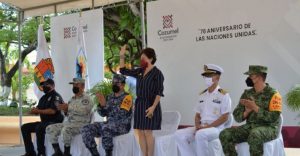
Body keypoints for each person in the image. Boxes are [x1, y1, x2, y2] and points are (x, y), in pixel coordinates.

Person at [219, 65, 282, 156]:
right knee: (225, 134)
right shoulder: (247, 93)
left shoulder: (274, 94)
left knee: (255, 134)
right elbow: (237, 117)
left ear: (260, 77)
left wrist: (255, 108)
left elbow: (273, 118)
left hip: (269, 128)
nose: (248, 78)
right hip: (251, 127)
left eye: (251, 76)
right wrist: (246, 112)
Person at [175, 64, 232, 156]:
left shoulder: (223, 95)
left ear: (217, 78)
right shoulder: (202, 95)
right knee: (177, 135)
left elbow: (225, 117)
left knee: (200, 134)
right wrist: (197, 126)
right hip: (202, 127)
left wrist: (206, 128)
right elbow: (197, 115)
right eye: (205, 76)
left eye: (209, 76)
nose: (206, 78)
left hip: (217, 128)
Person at [119, 45, 164, 156]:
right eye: (141, 58)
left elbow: (159, 92)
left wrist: (153, 107)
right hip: (139, 104)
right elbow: (123, 70)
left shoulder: (157, 73)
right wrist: (121, 56)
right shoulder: (140, 71)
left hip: (151, 105)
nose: (141, 60)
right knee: (139, 132)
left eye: (144, 58)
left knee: (148, 132)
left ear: (151, 59)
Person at [80, 74, 133, 156]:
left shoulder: (127, 97)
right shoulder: (109, 96)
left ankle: (108, 153)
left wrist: (105, 105)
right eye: (113, 82)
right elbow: (103, 114)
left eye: (117, 83)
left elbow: (122, 114)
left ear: (123, 85)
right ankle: (95, 153)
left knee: (106, 128)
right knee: (86, 128)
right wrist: (101, 106)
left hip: (122, 125)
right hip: (109, 124)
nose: (114, 84)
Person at [46, 78, 93, 156]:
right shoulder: (72, 99)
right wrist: (65, 110)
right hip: (70, 123)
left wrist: (68, 107)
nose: (74, 86)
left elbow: (84, 111)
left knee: (66, 130)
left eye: (77, 85)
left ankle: (67, 153)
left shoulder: (87, 98)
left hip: (82, 124)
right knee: (50, 128)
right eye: (73, 85)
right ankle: (57, 152)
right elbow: (68, 114)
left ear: (83, 86)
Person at [21, 79, 64, 156]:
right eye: (43, 85)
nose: (44, 87)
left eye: (46, 85)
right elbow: (38, 109)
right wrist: (32, 111)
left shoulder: (56, 96)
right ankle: (30, 152)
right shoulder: (43, 98)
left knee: (39, 127)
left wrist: (38, 111)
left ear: (53, 86)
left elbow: (52, 111)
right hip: (44, 122)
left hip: (54, 122)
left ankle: (41, 153)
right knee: (24, 127)